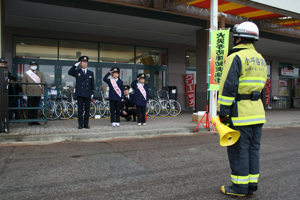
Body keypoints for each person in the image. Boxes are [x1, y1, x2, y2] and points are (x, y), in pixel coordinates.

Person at [217, 21, 267, 198]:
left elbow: (228, 87)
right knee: (254, 150)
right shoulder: (260, 59)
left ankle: (239, 188)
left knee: (239, 150)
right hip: (257, 113)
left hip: (240, 114)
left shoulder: (235, 57)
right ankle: (251, 186)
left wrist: (223, 112)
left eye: (235, 36)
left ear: (239, 38)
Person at [68, 56, 95, 129]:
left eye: (86, 62)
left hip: (87, 93)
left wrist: (93, 92)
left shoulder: (91, 73)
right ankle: (80, 124)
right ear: (80, 63)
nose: (84, 63)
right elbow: (69, 72)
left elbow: (92, 83)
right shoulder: (77, 72)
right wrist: (75, 65)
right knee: (80, 110)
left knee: (87, 110)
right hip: (80, 93)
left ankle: (86, 124)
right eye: (83, 62)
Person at [22, 61, 45, 125]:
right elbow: (24, 84)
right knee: (30, 108)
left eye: (34, 65)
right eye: (32, 65)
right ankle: (30, 121)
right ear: (29, 66)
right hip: (30, 93)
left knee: (36, 108)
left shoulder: (40, 74)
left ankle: (35, 120)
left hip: (38, 92)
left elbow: (43, 84)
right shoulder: (26, 74)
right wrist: (24, 94)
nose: (33, 66)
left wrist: (43, 93)